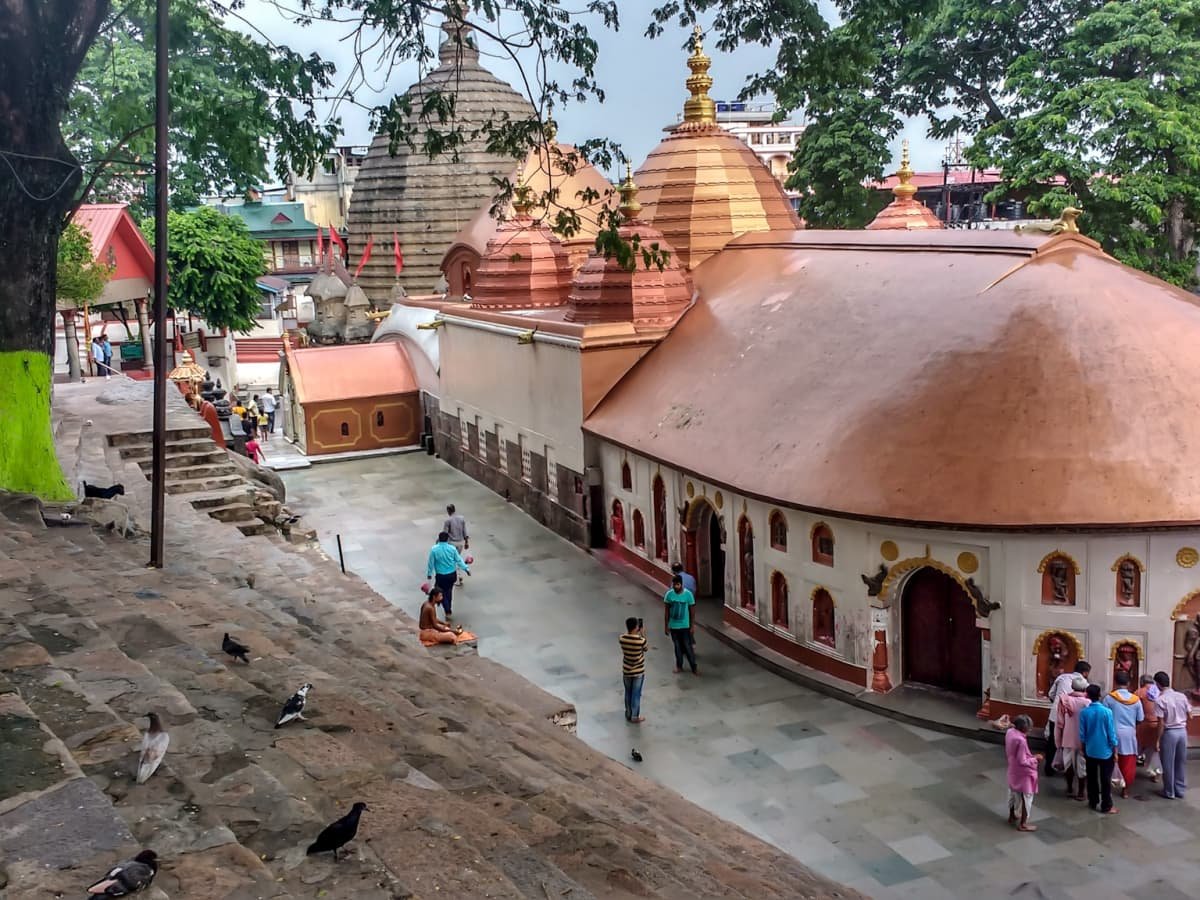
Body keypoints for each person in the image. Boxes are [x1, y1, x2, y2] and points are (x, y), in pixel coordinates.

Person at [1044, 659, 1091, 776]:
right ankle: (1067, 769)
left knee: (1052, 742)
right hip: (1070, 719)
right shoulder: (1085, 683)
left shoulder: (1062, 677)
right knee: (1068, 745)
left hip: (1055, 714)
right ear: (1085, 673)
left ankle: (1049, 768)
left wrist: (1058, 702)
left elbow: (1051, 695)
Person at [1079, 683, 1118, 814]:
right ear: (1100, 695)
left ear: (1087, 695)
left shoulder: (1084, 712)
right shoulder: (1107, 712)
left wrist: (1083, 748)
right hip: (1105, 751)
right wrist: (1115, 750)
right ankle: (1106, 805)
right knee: (1105, 779)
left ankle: (1093, 800)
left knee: (1091, 776)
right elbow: (1111, 734)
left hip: (1090, 749)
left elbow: (1082, 734)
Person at [1102, 670, 1143, 797]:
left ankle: (1109, 785)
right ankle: (1125, 790)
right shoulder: (1136, 700)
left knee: (1110, 761)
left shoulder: (1109, 698)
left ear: (1115, 682)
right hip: (1129, 734)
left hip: (1112, 732)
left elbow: (1104, 717)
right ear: (1129, 683)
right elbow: (1140, 719)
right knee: (1128, 762)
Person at [1153, 670, 1190, 800]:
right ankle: (1180, 789)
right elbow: (1190, 715)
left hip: (1170, 733)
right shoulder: (1182, 696)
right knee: (1180, 761)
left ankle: (1169, 791)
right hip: (1182, 731)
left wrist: (1157, 740)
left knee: (1168, 763)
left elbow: (1161, 722)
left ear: (1157, 684)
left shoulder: (1160, 700)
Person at [1053, 673, 1090, 800]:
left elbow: (1060, 722)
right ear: (1085, 689)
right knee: (1082, 766)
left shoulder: (1064, 700)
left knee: (1068, 764)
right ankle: (1081, 792)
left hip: (1067, 737)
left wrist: (1058, 740)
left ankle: (1069, 788)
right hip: (1083, 740)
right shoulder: (1088, 702)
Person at [1005, 714, 1041, 831]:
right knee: (1027, 796)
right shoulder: (1021, 740)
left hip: (1012, 767)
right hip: (1023, 772)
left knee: (1013, 792)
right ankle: (1023, 824)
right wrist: (1036, 759)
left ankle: (1011, 815)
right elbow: (1023, 761)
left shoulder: (1010, 732)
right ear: (1024, 728)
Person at [426, 532, 469, 618]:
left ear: (439, 539)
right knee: (449, 591)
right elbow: (459, 560)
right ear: (447, 539)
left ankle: (447, 609)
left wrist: (429, 573)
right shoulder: (452, 549)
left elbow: (431, 563)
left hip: (441, 575)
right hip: (451, 574)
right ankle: (448, 605)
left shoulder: (434, 549)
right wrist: (466, 569)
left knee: (440, 592)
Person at [663, 575, 697, 675]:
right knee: (677, 647)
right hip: (673, 626)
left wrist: (692, 625)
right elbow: (666, 612)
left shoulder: (688, 595)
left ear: (681, 584)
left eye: (677, 585)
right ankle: (679, 666)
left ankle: (694, 667)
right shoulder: (669, 595)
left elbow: (692, 611)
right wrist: (666, 626)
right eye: (674, 585)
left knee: (687, 646)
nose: (676, 587)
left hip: (685, 626)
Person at [619, 617, 648, 723]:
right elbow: (646, 648)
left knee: (628, 692)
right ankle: (635, 716)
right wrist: (643, 634)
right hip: (638, 671)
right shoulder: (641, 641)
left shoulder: (622, 638)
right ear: (637, 627)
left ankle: (628, 713)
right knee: (636, 693)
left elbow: (625, 636)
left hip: (626, 670)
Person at [1136, 674, 1162, 782]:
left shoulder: (1139, 692)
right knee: (1154, 750)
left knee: (1137, 747)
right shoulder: (1159, 692)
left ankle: (1130, 770)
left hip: (1144, 724)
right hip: (1158, 724)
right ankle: (1155, 774)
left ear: (1142, 682)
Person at [443, 504, 469, 586]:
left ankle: (457, 578)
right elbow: (465, 531)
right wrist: (466, 542)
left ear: (448, 511)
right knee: (457, 559)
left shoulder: (448, 521)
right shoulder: (461, 518)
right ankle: (459, 575)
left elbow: (445, 533)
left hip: (452, 543)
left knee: (452, 561)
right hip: (460, 542)